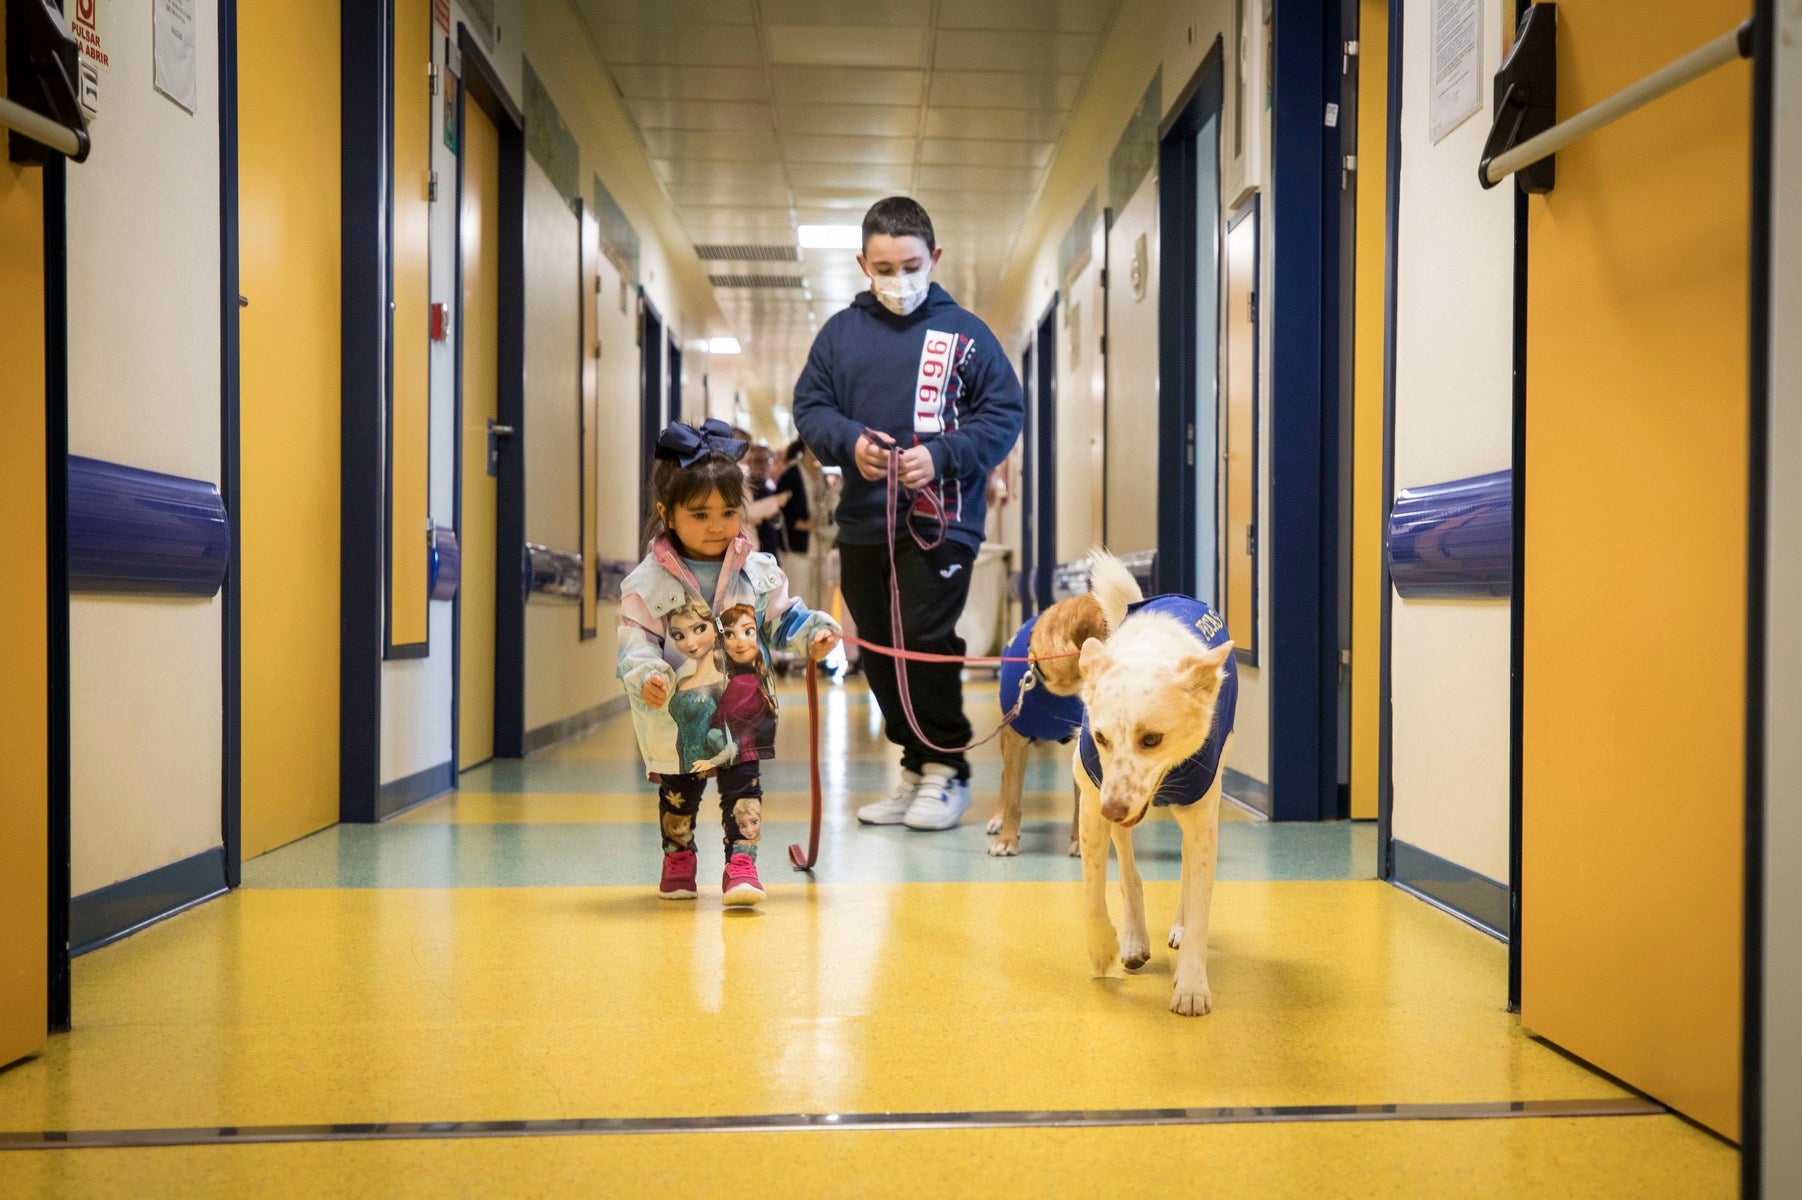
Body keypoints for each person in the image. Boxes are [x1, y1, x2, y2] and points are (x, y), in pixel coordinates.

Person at [792, 196, 1025, 832]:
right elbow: (811, 409)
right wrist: (851, 445)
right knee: (878, 645)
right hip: (866, 519)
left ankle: (946, 771)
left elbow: (1002, 415)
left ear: (935, 258)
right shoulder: (840, 335)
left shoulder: (967, 335)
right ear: (863, 263)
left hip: (941, 520)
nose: (899, 280)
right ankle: (915, 767)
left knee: (923, 638)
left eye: (912, 265)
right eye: (885, 267)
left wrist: (944, 455)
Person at [617, 419, 839, 905]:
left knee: (745, 787)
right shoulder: (647, 583)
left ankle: (742, 864)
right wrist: (649, 675)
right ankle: (679, 857)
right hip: (680, 712)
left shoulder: (756, 571)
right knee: (679, 791)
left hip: (742, 704)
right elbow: (636, 642)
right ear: (666, 513)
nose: (717, 525)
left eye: (728, 512)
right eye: (699, 514)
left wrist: (813, 634)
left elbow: (782, 619)